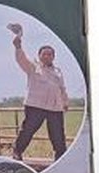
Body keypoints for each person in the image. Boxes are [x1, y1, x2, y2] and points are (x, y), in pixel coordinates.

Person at [7, 24, 70, 162]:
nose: (47, 56)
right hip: (36, 105)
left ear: (53, 56)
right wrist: (18, 47)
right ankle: (17, 152)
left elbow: (62, 88)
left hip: (55, 107)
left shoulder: (58, 72)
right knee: (28, 130)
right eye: (44, 54)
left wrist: (65, 103)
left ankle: (61, 157)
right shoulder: (33, 67)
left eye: (50, 54)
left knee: (58, 134)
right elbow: (21, 59)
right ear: (39, 55)